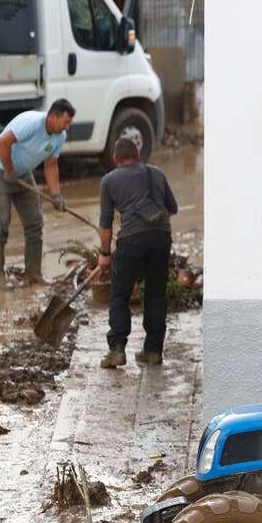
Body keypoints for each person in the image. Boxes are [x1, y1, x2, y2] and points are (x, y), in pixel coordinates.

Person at [97, 138, 178, 368]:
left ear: (115, 159)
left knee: (120, 294)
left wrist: (105, 253)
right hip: (161, 237)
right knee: (155, 294)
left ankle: (117, 350)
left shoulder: (109, 180)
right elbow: (172, 208)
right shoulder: (157, 174)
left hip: (131, 240)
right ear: (138, 156)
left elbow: (105, 224)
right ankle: (153, 351)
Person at [0, 99, 75, 288]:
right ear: (53, 117)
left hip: (23, 172)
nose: (68, 126)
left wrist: (56, 194)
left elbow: (51, 165)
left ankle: (33, 274)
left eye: (69, 122)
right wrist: (9, 170)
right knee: (0, 222)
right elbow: (3, 142)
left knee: (34, 222)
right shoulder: (31, 123)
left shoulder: (60, 136)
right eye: (66, 121)